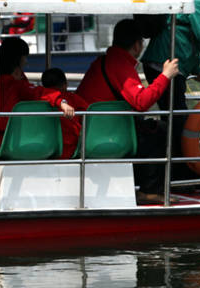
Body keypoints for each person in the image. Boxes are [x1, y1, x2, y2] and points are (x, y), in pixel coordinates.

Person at [76, 19, 179, 192]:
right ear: (137, 45)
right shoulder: (120, 64)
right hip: (102, 134)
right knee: (161, 131)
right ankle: (150, 191)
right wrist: (165, 76)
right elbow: (142, 102)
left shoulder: (106, 60)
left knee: (150, 130)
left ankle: (137, 185)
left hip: (92, 130)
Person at [140, 0, 200, 179]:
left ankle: (176, 171)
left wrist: (196, 70)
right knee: (178, 121)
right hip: (165, 64)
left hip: (167, 63)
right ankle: (180, 172)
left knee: (176, 119)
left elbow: (186, 38)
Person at [0, 37, 74, 155]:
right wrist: (61, 102)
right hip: (13, 142)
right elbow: (37, 92)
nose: (26, 62)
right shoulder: (16, 84)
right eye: (25, 57)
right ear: (18, 60)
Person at [41, 68, 89, 159]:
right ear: (65, 84)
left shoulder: (40, 99)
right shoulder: (72, 98)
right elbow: (89, 113)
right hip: (70, 150)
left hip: (44, 149)